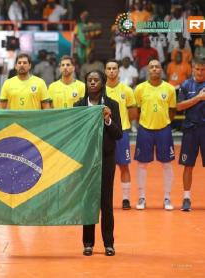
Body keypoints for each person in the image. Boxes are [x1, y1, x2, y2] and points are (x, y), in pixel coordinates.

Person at [74, 70, 122, 256]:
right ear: (86, 83)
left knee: (106, 202)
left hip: (106, 158)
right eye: (89, 80)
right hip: (86, 160)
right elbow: (74, 134)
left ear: (103, 83)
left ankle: (108, 243)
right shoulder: (78, 106)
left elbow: (118, 134)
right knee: (88, 201)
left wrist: (108, 119)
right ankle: (88, 243)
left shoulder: (112, 105)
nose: (92, 83)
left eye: (96, 80)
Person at [134, 59, 176, 210]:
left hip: (164, 129)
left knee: (166, 164)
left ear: (161, 70)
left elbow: (172, 111)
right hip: (145, 129)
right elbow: (137, 111)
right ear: (147, 70)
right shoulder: (139, 89)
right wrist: (146, 121)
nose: (154, 69)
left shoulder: (170, 89)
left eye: (157, 67)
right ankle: (141, 198)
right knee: (142, 164)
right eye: (151, 67)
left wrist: (163, 121)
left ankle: (167, 198)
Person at [105, 59, 137, 209]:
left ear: (119, 71)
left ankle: (125, 199)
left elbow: (132, 112)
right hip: (104, 134)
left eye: (114, 69)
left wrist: (122, 125)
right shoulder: (100, 90)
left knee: (124, 166)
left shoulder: (127, 90)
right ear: (105, 71)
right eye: (109, 68)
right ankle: (103, 199)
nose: (111, 71)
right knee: (102, 167)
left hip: (121, 133)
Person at [177, 58, 205, 211]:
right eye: (198, 69)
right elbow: (179, 106)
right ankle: (186, 198)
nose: (200, 72)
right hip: (190, 130)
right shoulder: (186, 85)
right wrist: (198, 98)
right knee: (188, 165)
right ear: (193, 69)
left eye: (203, 69)